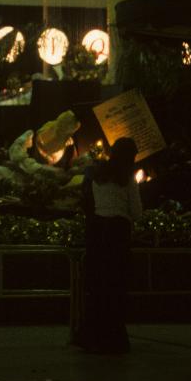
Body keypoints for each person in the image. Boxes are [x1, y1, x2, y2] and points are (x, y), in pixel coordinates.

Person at [77, 137, 142, 354]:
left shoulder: (97, 176)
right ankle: (114, 337)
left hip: (98, 232)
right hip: (118, 233)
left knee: (98, 285)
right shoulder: (127, 179)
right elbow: (137, 211)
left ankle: (93, 335)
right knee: (116, 285)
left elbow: (89, 203)